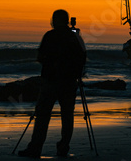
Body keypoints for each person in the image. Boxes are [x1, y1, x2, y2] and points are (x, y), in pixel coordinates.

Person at [19, 9, 86, 159]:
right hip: (69, 82)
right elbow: (82, 57)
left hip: (51, 81)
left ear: (55, 20)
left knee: (42, 115)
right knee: (67, 116)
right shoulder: (73, 37)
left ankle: (35, 148)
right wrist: (77, 74)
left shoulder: (50, 36)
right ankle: (63, 147)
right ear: (67, 20)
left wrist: (51, 64)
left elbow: (40, 57)